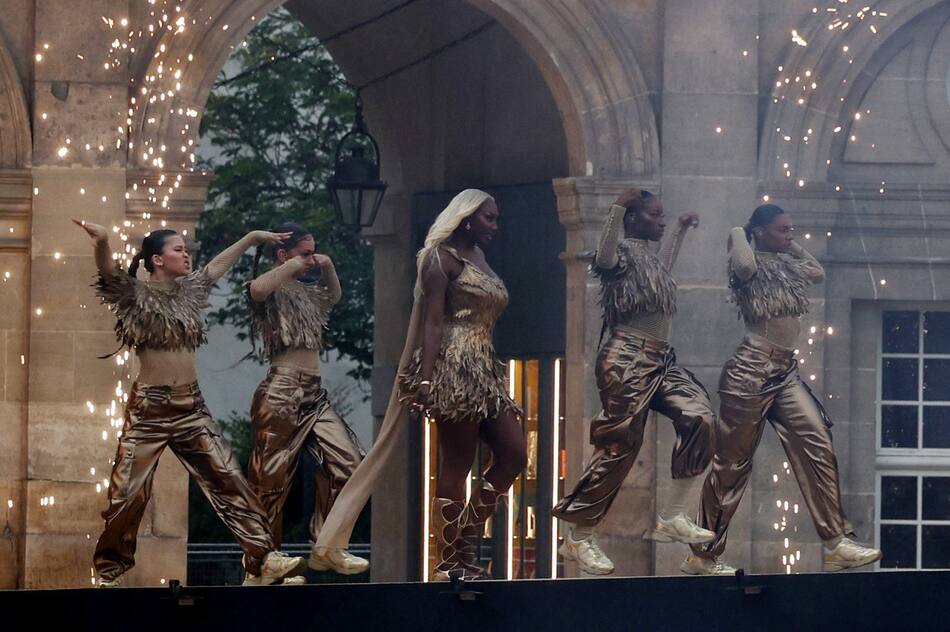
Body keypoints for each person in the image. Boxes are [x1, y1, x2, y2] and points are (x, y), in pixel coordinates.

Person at [309, 189, 527, 582]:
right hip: (453, 368)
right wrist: (426, 377)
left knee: (514, 454)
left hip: (486, 370)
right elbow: (431, 321)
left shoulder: (479, 257)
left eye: (495, 218)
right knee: (457, 463)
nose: (495, 225)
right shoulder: (440, 260)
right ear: (467, 219)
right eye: (489, 218)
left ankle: (465, 541)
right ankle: (449, 561)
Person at [75, 219, 305, 587]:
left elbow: (216, 266)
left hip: (190, 408)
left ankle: (263, 560)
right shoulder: (134, 295)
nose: (186, 255)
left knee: (228, 477)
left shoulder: (190, 292)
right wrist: (102, 241)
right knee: (126, 493)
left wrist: (250, 237)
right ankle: (108, 572)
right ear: (156, 260)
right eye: (178, 249)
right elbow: (107, 270)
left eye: (186, 249)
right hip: (148, 410)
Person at [684, 204, 882, 575]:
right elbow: (744, 266)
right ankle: (702, 555)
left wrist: (788, 244)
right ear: (760, 232)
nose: (791, 236)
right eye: (783, 230)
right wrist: (738, 231)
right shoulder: (745, 266)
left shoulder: (786, 266)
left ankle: (837, 541)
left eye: (793, 229)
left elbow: (818, 272)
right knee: (731, 465)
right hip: (750, 371)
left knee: (818, 441)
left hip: (785, 371)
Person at [552, 188, 716, 575]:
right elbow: (605, 255)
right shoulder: (620, 254)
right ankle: (577, 536)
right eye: (655, 215)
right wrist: (615, 207)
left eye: (663, 215)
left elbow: (663, 270)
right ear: (632, 218)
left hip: (660, 358)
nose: (660, 220)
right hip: (626, 359)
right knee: (619, 448)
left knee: (701, 417)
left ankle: (673, 515)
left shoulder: (647, 260)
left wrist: (678, 230)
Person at [245, 222, 366, 577]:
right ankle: (261, 562)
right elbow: (257, 289)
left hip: (314, 393)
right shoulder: (271, 288)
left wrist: (326, 266)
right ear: (283, 255)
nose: (311, 259)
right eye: (305, 253)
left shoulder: (310, 293)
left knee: (350, 462)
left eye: (314, 252)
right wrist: (293, 264)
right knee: (270, 479)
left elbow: (334, 297)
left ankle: (328, 545)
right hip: (281, 389)